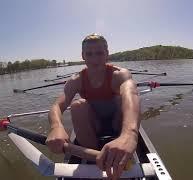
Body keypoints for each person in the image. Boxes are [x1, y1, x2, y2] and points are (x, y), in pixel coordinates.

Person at [46, 33, 140, 179]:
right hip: (94, 126)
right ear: (83, 56)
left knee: (124, 101)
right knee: (77, 106)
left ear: (107, 54)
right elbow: (56, 106)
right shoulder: (76, 80)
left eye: (99, 53)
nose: (94, 59)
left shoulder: (120, 74)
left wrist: (131, 133)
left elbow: (132, 94)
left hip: (118, 124)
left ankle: (123, 140)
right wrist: (56, 127)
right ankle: (93, 156)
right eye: (89, 54)